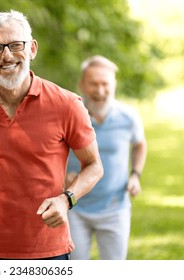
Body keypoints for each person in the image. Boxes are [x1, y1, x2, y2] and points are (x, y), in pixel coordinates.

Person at [0, 10, 103, 260]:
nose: (7, 55)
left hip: (47, 247)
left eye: (15, 45)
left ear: (32, 49)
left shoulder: (67, 104)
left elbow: (94, 165)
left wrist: (66, 200)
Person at [65, 55, 147, 260]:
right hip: (75, 206)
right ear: (82, 84)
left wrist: (135, 175)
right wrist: (61, 177)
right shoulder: (69, 115)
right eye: (94, 84)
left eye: (105, 84)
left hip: (115, 208)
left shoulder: (128, 117)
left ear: (114, 84)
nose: (100, 91)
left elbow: (139, 144)